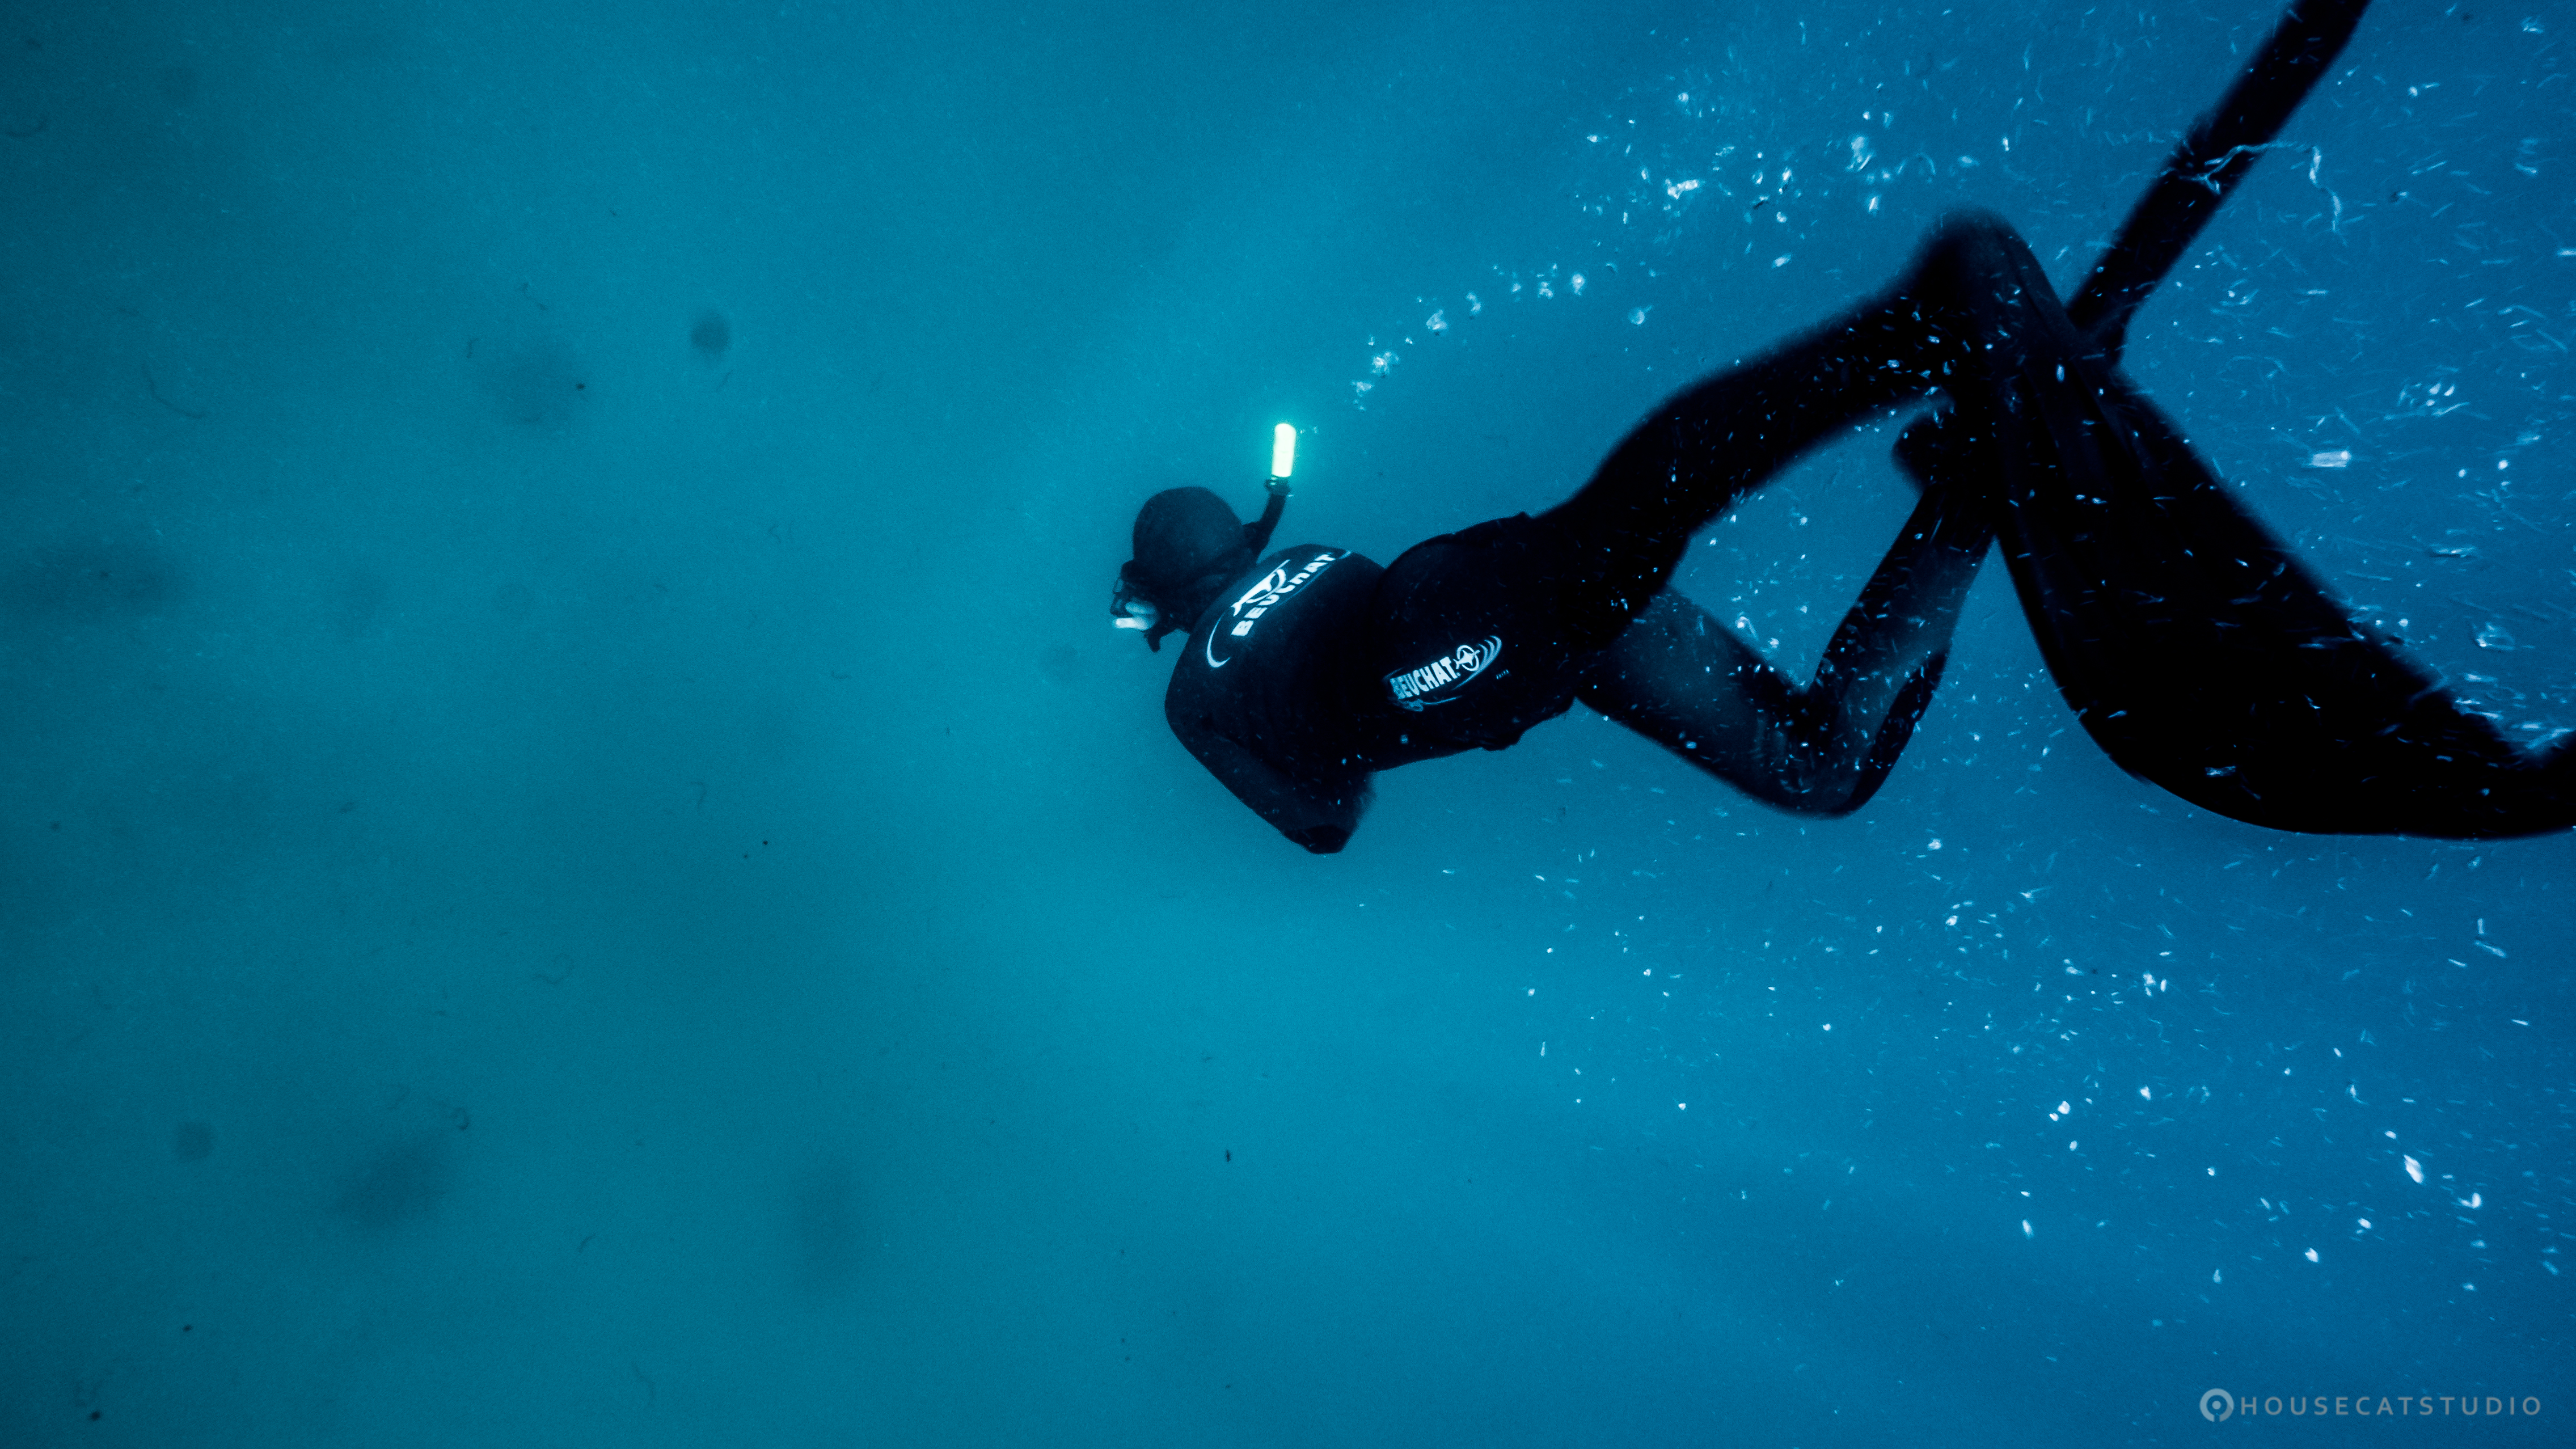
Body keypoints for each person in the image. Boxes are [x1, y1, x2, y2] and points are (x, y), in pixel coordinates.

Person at [1109, 212, 2575, 852]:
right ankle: (1979, 477)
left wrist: (1315, 746)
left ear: (1164, 602)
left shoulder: (1189, 694)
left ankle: (1919, 318)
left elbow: (1322, 823)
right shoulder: (1285, 561)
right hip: (1473, 609)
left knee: (1625, 532)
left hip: (1456, 648)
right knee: (1812, 759)